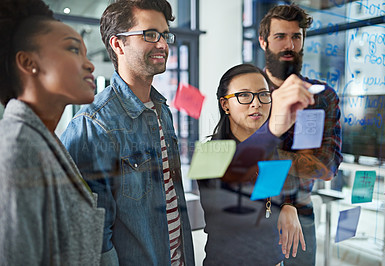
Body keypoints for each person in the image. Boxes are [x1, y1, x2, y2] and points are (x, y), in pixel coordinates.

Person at [60, 0, 195, 265]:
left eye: (165, 34)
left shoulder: (161, 110)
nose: (162, 44)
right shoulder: (93, 124)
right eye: (150, 34)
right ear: (118, 44)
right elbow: (91, 239)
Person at [0, 0, 105, 264]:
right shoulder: (17, 146)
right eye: (72, 49)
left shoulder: (43, 139)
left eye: (84, 52)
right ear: (28, 62)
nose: (89, 64)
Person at [198, 63, 316, 265]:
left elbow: (273, 196)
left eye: (263, 94)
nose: (256, 104)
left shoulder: (274, 153)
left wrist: (289, 205)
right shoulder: (208, 155)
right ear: (225, 105)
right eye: (244, 95)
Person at [258, 4, 343, 265]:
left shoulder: (321, 97)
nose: (289, 45)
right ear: (263, 41)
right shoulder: (247, 95)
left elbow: (327, 167)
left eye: (296, 37)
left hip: (303, 213)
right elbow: (235, 160)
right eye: (280, 36)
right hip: (256, 210)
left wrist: (268, 155)